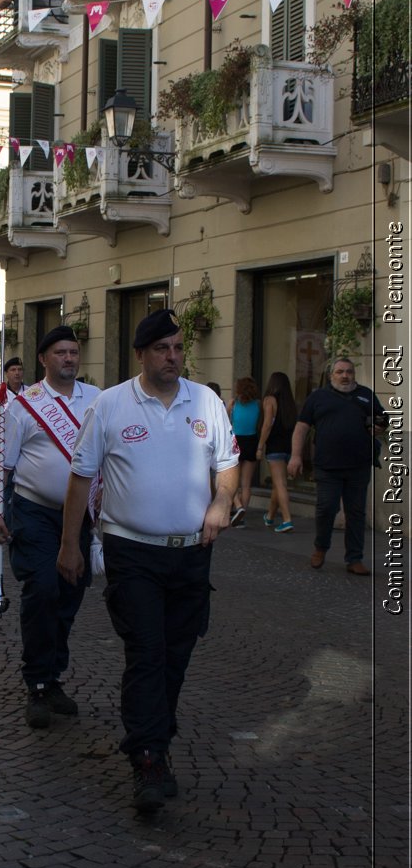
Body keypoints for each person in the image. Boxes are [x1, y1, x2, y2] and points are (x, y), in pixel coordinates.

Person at [57, 308, 239, 813]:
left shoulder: (205, 401)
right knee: (146, 651)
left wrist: (222, 502)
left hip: (190, 555)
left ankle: (155, 737)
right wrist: (70, 544)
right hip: (130, 551)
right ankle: (148, 756)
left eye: (179, 348)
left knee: (176, 656)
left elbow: (227, 463)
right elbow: (80, 478)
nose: (173, 358)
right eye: (162, 349)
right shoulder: (111, 405)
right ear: (141, 354)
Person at [0, 326, 100, 730]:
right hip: (34, 513)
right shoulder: (23, 406)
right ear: (43, 359)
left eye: (74, 351)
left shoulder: (98, 400)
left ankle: (53, 676)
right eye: (61, 352)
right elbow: (0, 464)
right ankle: (36, 682)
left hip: (79, 516)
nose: (69, 358)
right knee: (43, 590)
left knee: (68, 596)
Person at [288, 357, 384, 575]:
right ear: (331, 375)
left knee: (356, 513)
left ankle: (354, 558)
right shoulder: (318, 397)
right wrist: (295, 456)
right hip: (327, 466)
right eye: (340, 372)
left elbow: (381, 419)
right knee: (326, 508)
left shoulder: (366, 395)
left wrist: (379, 427)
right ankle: (320, 548)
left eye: (349, 371)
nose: (345, 375)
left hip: (359, 465)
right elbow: (302, 427)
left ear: (354, 374)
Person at [257, 371, 297, 532]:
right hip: (289, 447)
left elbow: (267, 425)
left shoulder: (269, 400)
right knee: (278, 483)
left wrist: (260, 446)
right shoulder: (290, 403)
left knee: (280, 484)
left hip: (275, 447)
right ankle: (270, 516)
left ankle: (287, 520)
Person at [227, 377, 260, 527]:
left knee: (232, 480)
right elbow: (260, 423)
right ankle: (242, 515)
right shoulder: (259, 404)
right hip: (252, 441)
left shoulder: (233, 403)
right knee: (246, 484)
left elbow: (225, 421)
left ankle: (238, 506)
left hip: (236, 441)